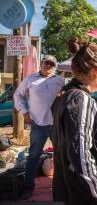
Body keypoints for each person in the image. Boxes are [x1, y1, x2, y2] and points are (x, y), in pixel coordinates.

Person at [51, 40, 97, 205]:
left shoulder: (65, 95)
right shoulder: (80, 99)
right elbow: (80, 151)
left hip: (73, 189)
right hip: (86, 195)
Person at [13, 55, 64, 199]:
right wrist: (24, 112)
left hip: (56, 126)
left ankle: (61, 187)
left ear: (54, 66)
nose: (48, 65)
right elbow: (17, 96)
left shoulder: (60, 81)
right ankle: (28, 188)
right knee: (33, 157)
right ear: (41, 63)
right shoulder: (30, 80)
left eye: (51, 64)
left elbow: (67, 98)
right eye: (46, 62)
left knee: (61, 156)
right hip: (38, 125)